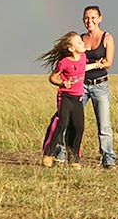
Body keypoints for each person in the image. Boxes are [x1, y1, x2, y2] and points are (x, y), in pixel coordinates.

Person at [39, 31, 102, 169]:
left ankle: (74, 158)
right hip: (65, 97)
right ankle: (48, 154)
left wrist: (97, 65)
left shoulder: (83, 57)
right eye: (79, 42)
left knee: (79, 127)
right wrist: (62, 83)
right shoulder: (64, 63)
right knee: (62, 124)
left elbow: (82, 68)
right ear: (71, 49)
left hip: (78, 97)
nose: (83, 43)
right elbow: (53, 77)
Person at [79, 5, 117, 168]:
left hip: (100, 85)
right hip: (80, 85)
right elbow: (75, 62)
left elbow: (108, 63)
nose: (90, 21)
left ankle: (108, 156)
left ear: (100, 19)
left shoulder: (107, 38)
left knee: (104, 124)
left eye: (93, 17)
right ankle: (68, 152)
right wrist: (96, 64)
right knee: (74, 121)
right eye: (87, 18)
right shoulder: (80, 38)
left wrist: (90, 65)